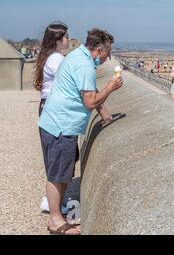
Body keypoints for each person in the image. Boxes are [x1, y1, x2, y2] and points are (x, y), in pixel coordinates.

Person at [39, 28, 123, 235]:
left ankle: (56, 216)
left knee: (59, 173)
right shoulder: (85, 65)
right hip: (61, 126)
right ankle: (56, 221)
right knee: (58, 176)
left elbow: (87, 90)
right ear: (99, 49)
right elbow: (90, 100)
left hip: (54, 122)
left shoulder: (77, 55)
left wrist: (104, 114)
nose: (109, 56)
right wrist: (111, 87)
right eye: (108, 51)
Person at [34, 21, 70, 214]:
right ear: (56, 40)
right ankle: (53, 208)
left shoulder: (47, 56)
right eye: (65, 37)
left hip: (47, 108)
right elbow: (71, 81)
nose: (67, 40)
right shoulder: (56, 59)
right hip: (54, 112)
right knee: (58, 158)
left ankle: (52, 202)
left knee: (54, 158)